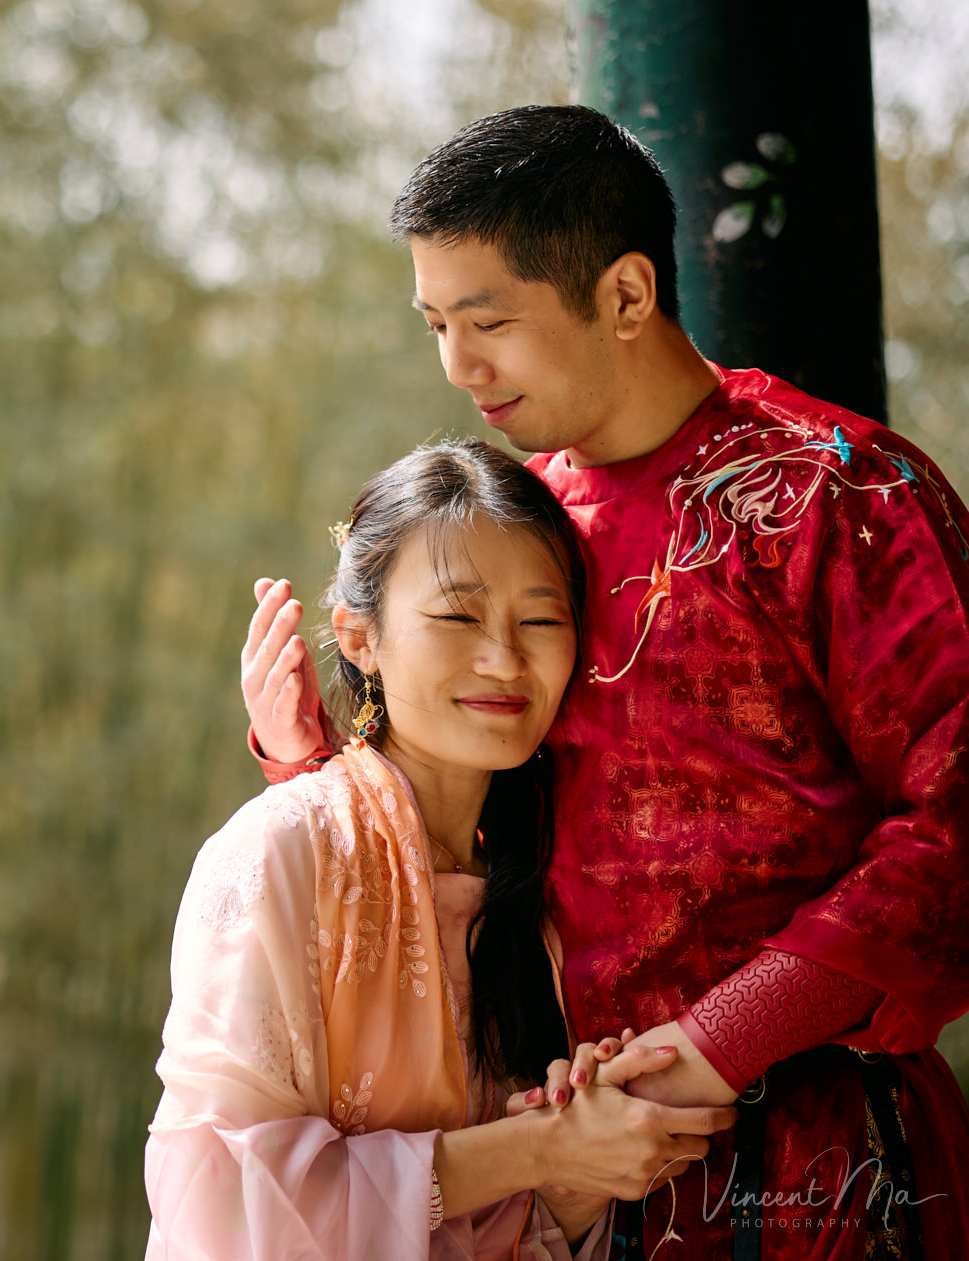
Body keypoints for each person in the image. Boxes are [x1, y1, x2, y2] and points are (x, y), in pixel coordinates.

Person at [240, 104, 969, 1258]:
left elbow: (954, 823)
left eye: (487, 323)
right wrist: (315, 773)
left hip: (815, 1165)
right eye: (434, 323)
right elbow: (473, 848)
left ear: (625, 295)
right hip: (563, 1181)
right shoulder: (517, 530)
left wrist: (723, 1039)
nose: (455, 366)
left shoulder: (831, 494)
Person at [146, 439, 738, 1260]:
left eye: (541, 619)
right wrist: (537, 1150)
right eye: (458, 615)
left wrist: (578, 1171)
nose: (504, 657)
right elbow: (227, 1210)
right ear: (358, 637)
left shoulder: (544, 905)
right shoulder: (282, 851)